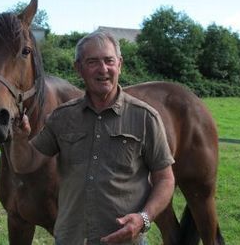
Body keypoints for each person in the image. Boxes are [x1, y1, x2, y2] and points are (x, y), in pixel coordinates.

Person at [10, 30, 175, 245]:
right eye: (92, 62)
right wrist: (20, 140)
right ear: (78, 68)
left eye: (109, 61)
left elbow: (165, 179)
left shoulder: (145, 118)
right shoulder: (62, 118)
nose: (103, 69)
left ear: (120, 64)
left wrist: (143, 219)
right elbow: (25, 164)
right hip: (70, 239)